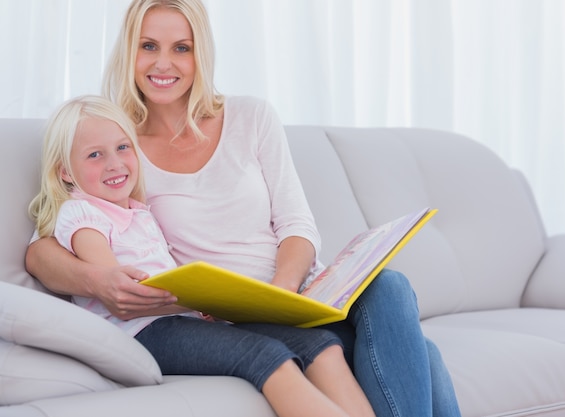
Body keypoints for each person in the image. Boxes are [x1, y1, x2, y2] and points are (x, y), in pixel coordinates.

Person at [25, 1, 462, 416]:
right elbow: (44, 248)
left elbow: (297, 225)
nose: (164, 64)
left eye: (182, 48)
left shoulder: (251, 117)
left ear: (201, 54)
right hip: (230, 318)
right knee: (424, 355)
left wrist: (285, 291)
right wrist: (98, 280)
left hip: (297, 295)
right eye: (148, 46)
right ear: (129, 52)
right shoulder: (115, 142)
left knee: (390, 286)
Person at [28, 94, 375, 417]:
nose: (114, 164)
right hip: (143, 333)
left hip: (177, 321)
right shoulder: (82, 214)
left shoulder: (138, 211)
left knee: (321, 344)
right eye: (95, 155)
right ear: (65, 172)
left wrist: (200, 302)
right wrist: (195, 300)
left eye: (122, 148)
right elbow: (123, 287)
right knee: (265, 356)